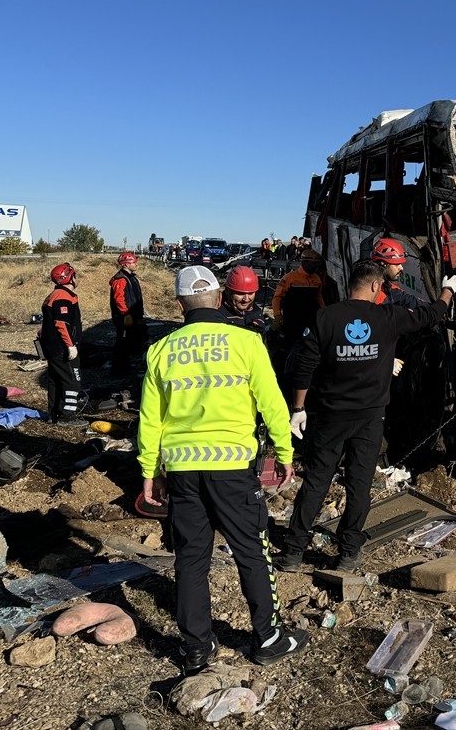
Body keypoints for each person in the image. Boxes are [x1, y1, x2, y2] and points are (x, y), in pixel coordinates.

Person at [137, 265, 308, 674]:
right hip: (232, 469)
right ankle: (269, 638)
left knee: (190, 558)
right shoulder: (246, 342)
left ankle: (197, 646)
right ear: (218, 299)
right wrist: (285, 452)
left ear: (180, 306)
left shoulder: (161, 351)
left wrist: (149, 470)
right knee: (252, 551)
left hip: (182, 470)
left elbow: (150, 418)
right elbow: (272, 403)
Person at [274, 260, 456, 573]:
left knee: (316, 481)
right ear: (375, 286)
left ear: (351, 283)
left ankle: (293, 553)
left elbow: (304, 367)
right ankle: (348, 554)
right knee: (359, 484)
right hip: (370, 418)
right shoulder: (388, 317)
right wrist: (447, 291)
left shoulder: (325, 317)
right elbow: (430, 315)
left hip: (330, 415)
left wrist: (298, 409)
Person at [39, 262, 84, 425]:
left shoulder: (54, 295)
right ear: (70, 278)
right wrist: (70, 345)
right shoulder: (63, 296)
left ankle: (54, 414)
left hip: (52, 347)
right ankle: (67, 416)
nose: (76, 278)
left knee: (55, 380)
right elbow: (61, 323)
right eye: (75, 275)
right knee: (72, 380)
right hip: (62, 348)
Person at [271, 248, 326, 342]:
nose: (317, 266)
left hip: (310, 319)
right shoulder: (289, 278)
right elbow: (277, 297)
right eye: (314, 263)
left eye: (318, 264)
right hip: (292, 320)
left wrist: (324, 310)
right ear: (305, 262)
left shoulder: (317, 279)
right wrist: (277, 315)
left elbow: (318, 296)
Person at [109, 252, 148, 376]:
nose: (136, 264)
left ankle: (126, 367)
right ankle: (118, 370)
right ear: (126, 264)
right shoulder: (121, 279)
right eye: (134, 262)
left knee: (133, 340)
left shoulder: (131, 277)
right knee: (123, 342)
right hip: (124, 317)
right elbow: (119, 299)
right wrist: (126, 314)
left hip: (133, 316)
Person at [370, 238, 428, 307]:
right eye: (396, 264)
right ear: (383, 263)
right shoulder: (373, 298)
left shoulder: (387, 288)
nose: (401, 268)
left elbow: (407, 299)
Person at [220, 266, 271, 338]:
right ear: (228, 291)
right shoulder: (217, 314)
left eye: (250, 293)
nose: (246, 299)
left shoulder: (256, 312)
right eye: (241, 294)